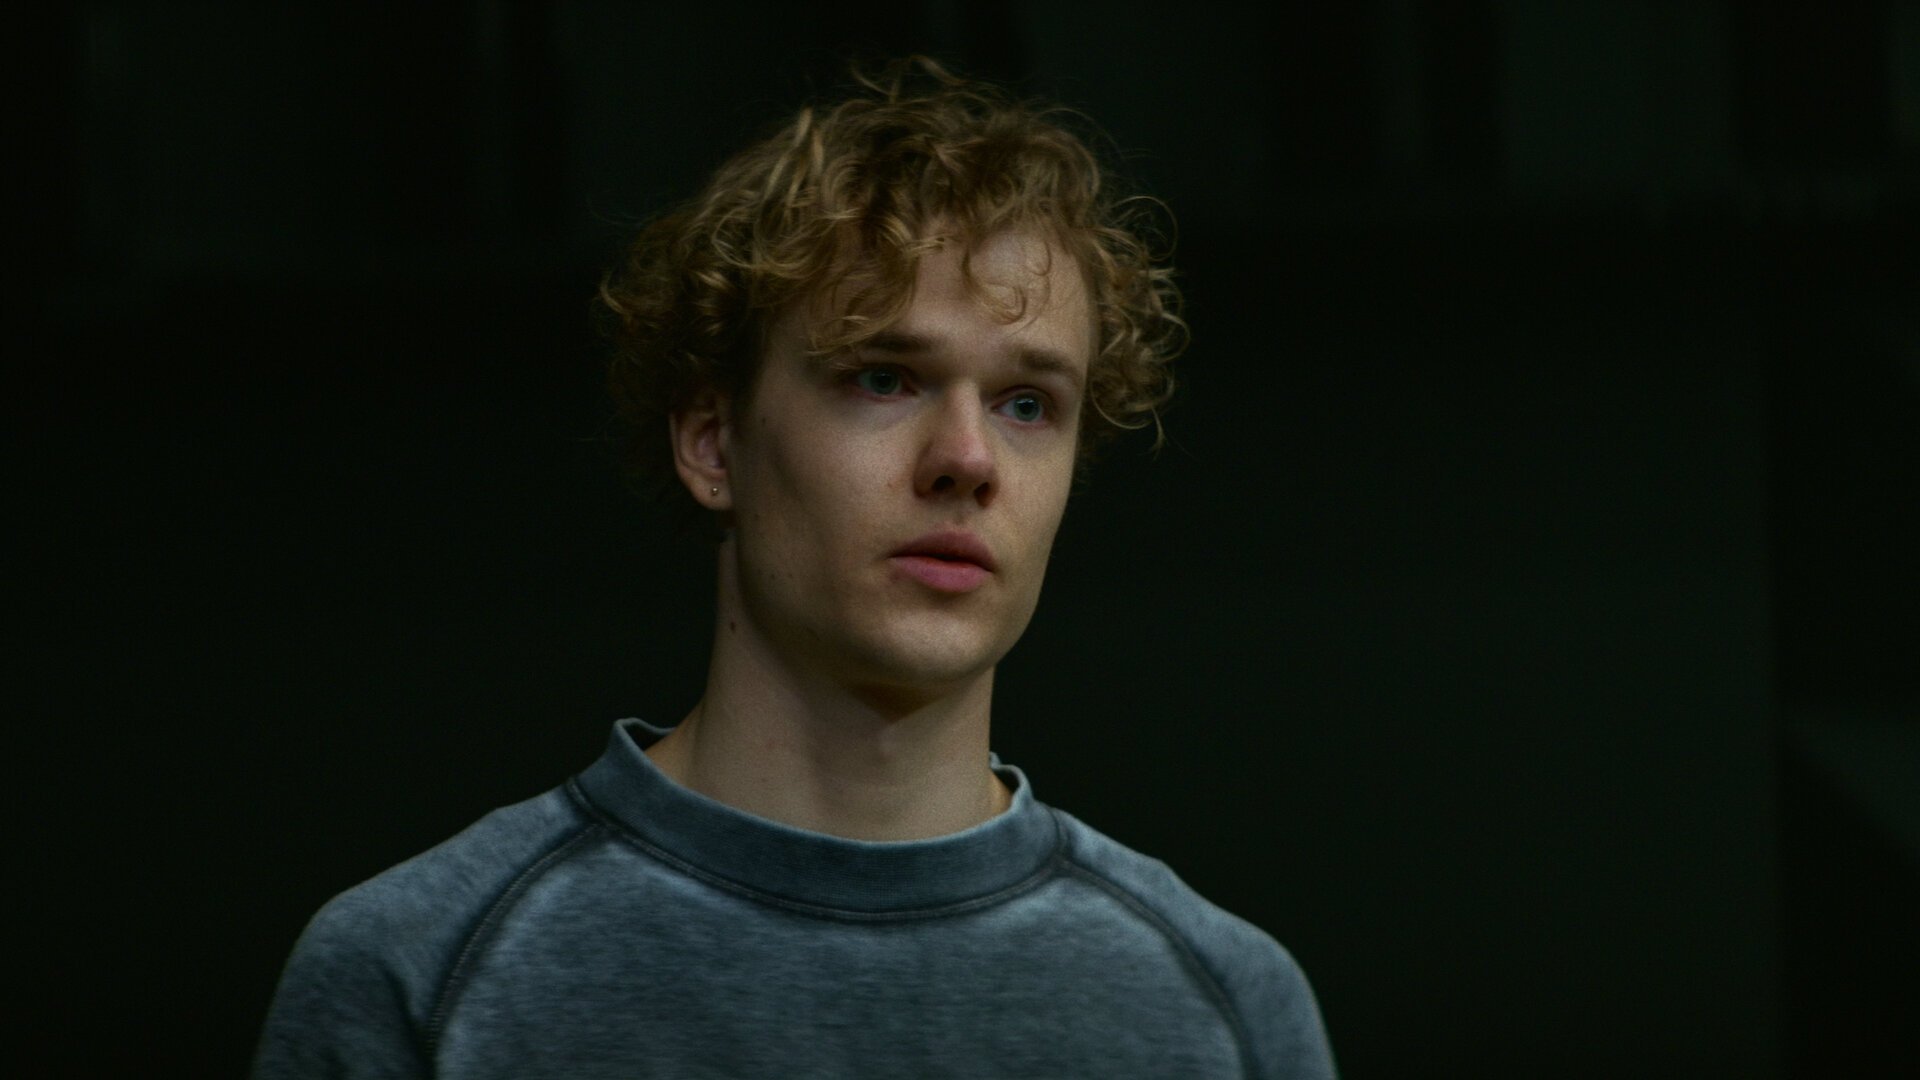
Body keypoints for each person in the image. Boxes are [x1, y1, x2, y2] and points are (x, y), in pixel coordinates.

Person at [253, 58, 1336, 1078]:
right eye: (882, 378)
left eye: (1026, 404)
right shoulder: (420, 976)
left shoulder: (1217, 1010)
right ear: (712, 444)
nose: (967, 459)